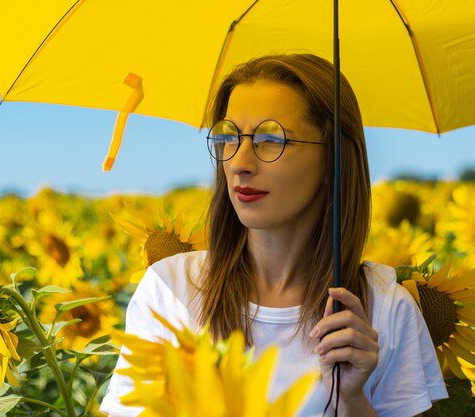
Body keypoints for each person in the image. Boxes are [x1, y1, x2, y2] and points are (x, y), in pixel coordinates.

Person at [99, 53, 447, 417]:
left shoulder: (383, 308)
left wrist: (351, 398)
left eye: (270, 139)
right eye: (228, 137)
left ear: (334, 161)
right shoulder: (170, 290)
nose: (239, 162)